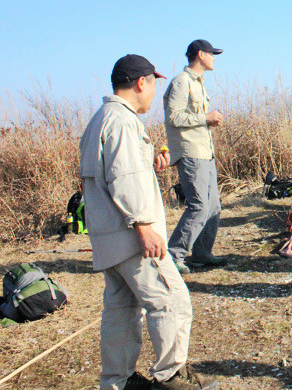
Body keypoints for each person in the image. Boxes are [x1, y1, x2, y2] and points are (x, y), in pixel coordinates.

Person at [80, 55, 217, 390]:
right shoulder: (123, 121)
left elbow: (106, 175)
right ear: (142, 83)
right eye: (152, 85)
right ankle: (171, 378)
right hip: (131, 236)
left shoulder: (101, 118)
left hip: (107, 236)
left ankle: (119, 381)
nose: (153, 93)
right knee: (172, 300)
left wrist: (150, 164)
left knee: (121, 310)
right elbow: (123, 178)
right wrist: (143, 225)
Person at [163, 39, 226, 275]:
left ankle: (201, 254)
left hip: (204, 152)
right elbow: (173, 117)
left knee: (213, 207)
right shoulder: (181, 82)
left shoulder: (198, 83)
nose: (214, 58)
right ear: (201, 54)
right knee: (199, 205)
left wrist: (208, 120)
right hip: (191, 153)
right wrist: (205, 118)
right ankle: (173, 256)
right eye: (212, 54)